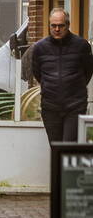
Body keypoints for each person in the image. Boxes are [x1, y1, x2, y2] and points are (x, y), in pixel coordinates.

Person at [31, 8, 93, 143]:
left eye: (61, 25)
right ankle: (57, 165)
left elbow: (88, 72)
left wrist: (74, 88)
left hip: (75, 106)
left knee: (68, 146)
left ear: (68, 25)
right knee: (55, 148)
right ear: (49, 25)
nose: (57, 29)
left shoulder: (81, 46)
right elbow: (38, 73)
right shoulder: (39, 48)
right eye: (53, 25)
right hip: (50, 107)